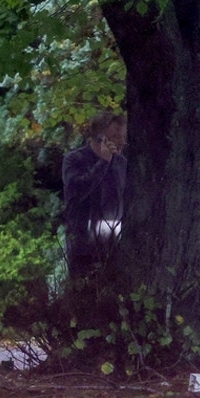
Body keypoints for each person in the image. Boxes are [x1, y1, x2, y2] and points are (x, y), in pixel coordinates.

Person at [62, 112, 127, 276]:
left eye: (123, 136)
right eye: (116, 136)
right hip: (83, 246)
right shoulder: (74, 160)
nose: (122, 142)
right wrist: (103, 162)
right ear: (100, 138)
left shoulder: (121, 164)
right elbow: (78, 190)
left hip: (115, 245)